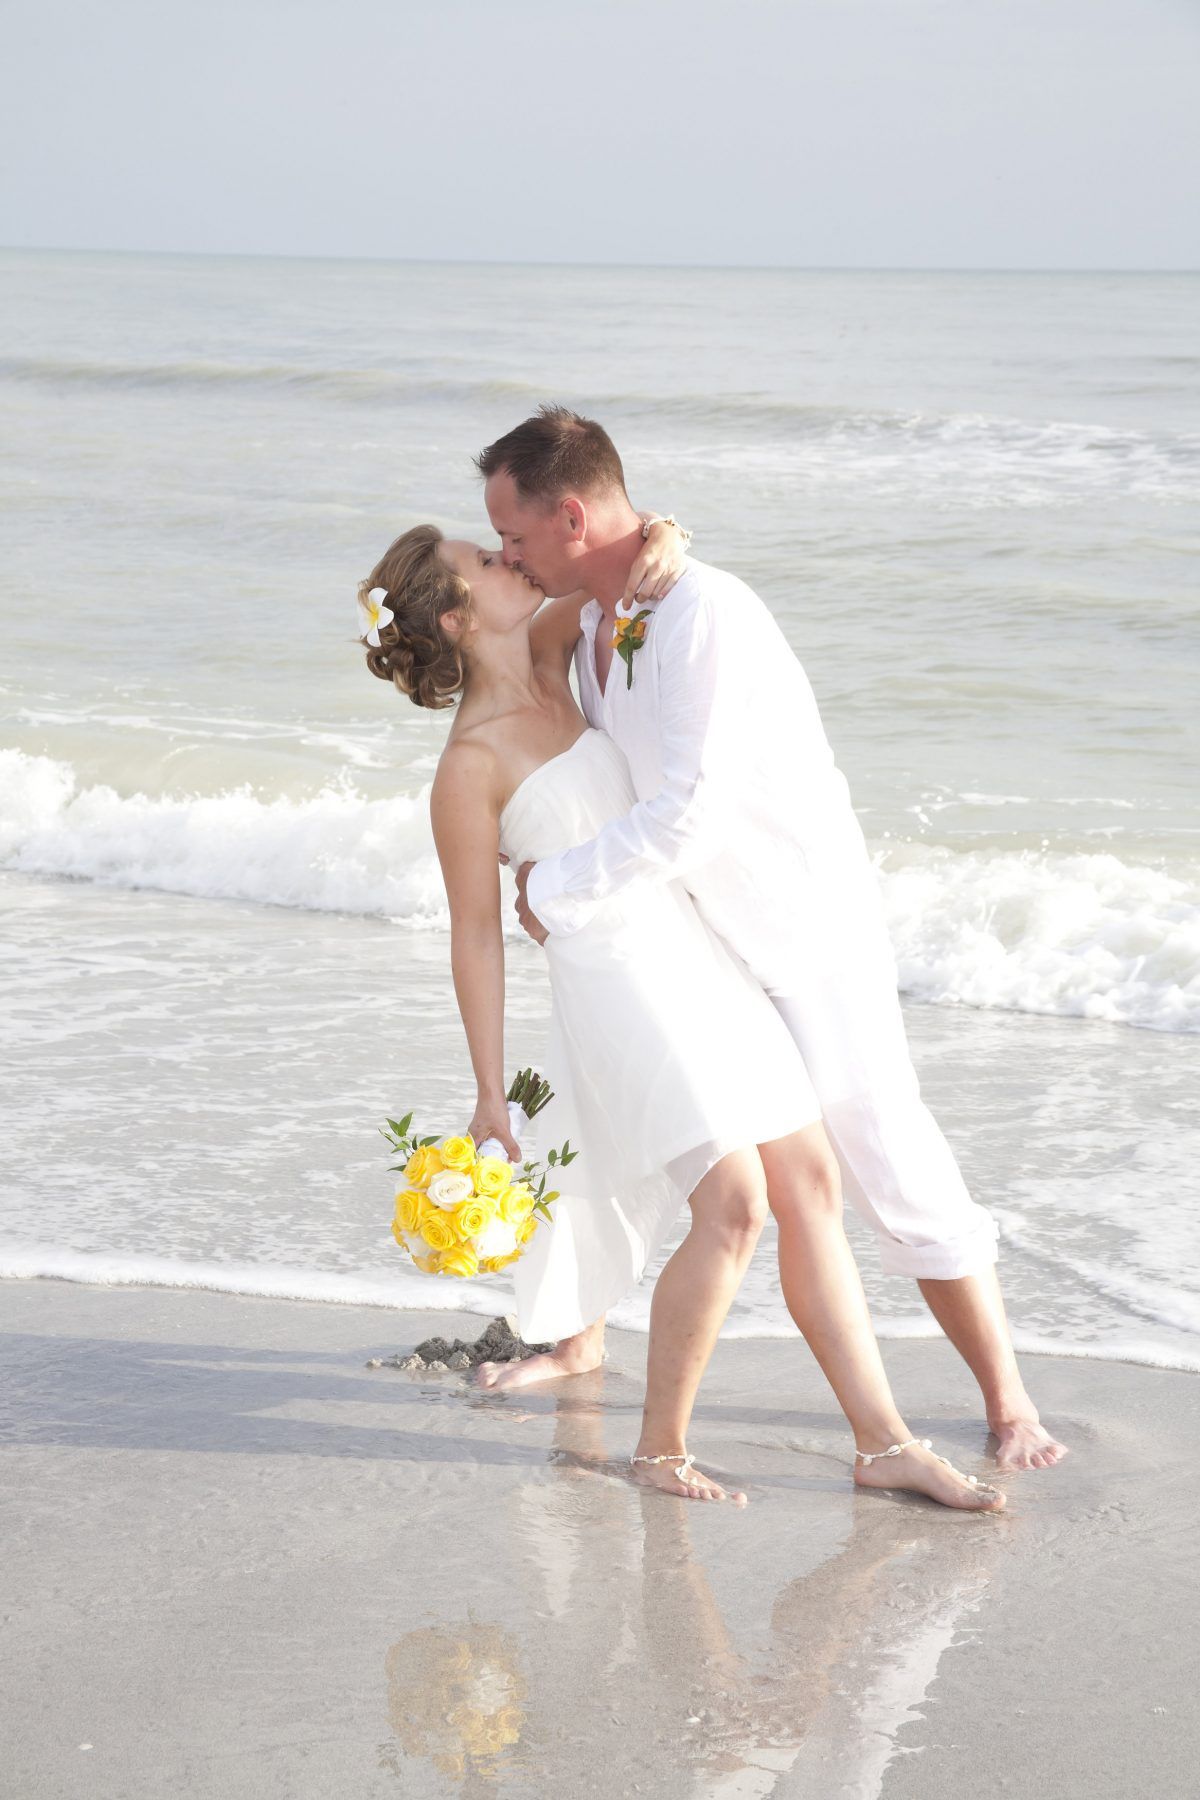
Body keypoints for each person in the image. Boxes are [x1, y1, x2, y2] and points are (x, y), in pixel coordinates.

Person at [356, 517, 1005, 1511]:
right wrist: (489, 1093)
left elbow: (613, 556)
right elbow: (477, 938)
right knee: (735, 1204)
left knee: (811, 1179)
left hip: (697, 951)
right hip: (618, 988)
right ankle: (660, 1450)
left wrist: (665, 534)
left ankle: (883, 1444)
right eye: (486, 562)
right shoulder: (467, 770)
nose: (508, 559)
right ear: (455, 614)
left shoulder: (550, 644)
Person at [478, 405, 1067, 1476]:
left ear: (570, 515)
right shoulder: (602, 622)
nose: (509, 554)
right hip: (703, 941)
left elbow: (691, 811)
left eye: (515, 535)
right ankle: (602, 1343)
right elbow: (505, 671)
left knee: (886, 1154)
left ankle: (1008, 1400)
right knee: (760, 1177)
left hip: (805, 936)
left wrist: (551, 884)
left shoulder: (706, 613)